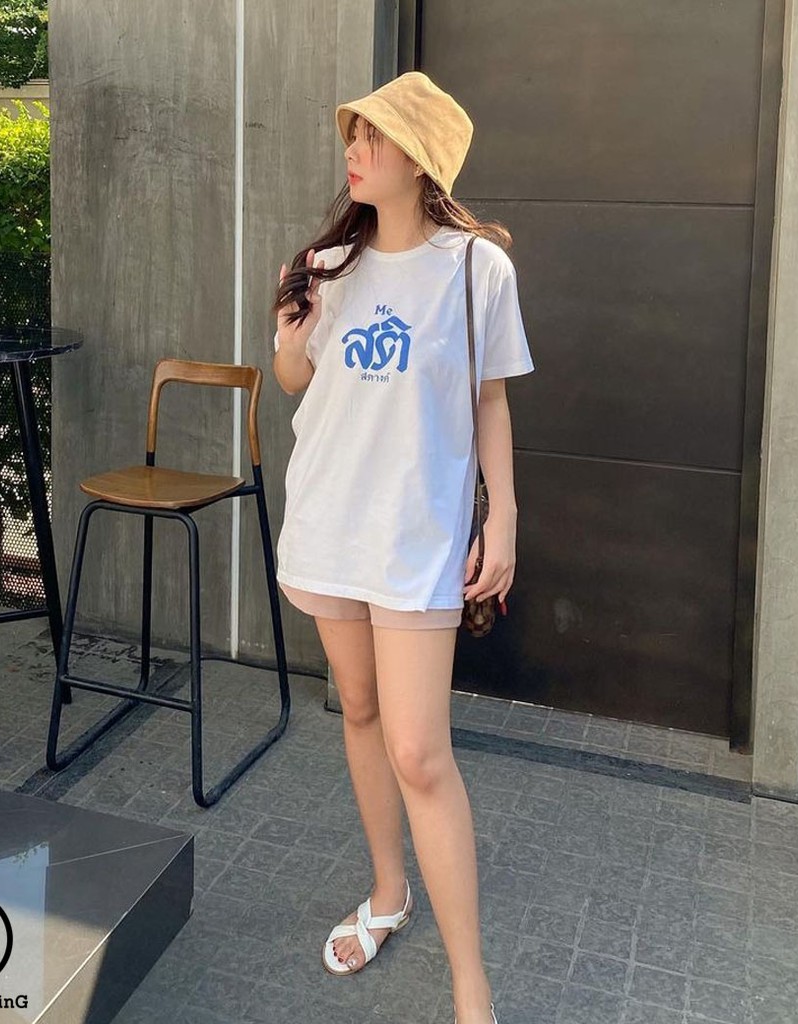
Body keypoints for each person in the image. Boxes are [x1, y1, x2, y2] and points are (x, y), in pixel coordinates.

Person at [269, 71, 534, 1024]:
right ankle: (389, 891)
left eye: (374, 136)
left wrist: (503, 517)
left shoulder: (475, 271)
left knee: (421, 751)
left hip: (417, 536)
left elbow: (490, 399)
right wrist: (293, 333)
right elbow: (294, 380)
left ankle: (471, 984)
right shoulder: (323, 266)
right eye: (354, 134)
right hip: (330, 522)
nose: (354, 150)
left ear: (420, 159)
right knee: (361, 708)